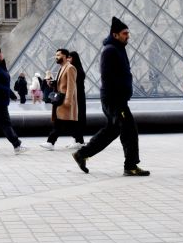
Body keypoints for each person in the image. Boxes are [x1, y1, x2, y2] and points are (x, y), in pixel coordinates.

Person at [72, 17, 149, 176]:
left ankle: (82, 154)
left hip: (116, 99)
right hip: (115, 99)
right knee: (129, 130)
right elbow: (107, 76)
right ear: (115, 35)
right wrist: (120, 94)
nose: (128, 35)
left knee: (112, 130)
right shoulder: (110, 50)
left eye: (128, 32)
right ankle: (130, 166)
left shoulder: (118, 48)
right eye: (125, 33)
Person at [42, 48, 77, 150]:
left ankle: (50, 142)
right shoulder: (62, 68)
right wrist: (52, 82)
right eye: (56, 55)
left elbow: (71, 86)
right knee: (67, 123)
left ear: (65, 56)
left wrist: (68, 100)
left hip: (64, 99)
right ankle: (79, 140)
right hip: (60, 99)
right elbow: (61, 83)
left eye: (58, 55)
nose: (56, 57)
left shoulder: (70, 68)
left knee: (59, 122)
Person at [68, 51, 87, 148]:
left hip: (78, 97)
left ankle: (79, 141)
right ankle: (78, 140)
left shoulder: (76, 70)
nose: (68, 59)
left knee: (77, 118)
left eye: (70, 58)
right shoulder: (77, 69)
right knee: (76, 118)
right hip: (78, 97)